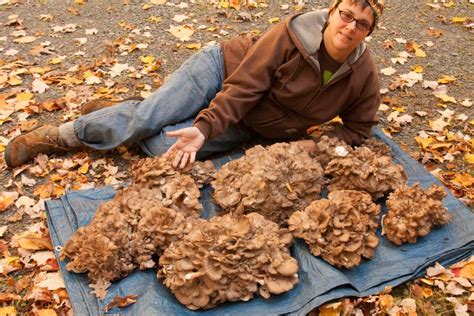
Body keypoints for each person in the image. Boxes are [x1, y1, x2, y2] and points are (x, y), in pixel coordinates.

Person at [4, 0, 384, 169]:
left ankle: (124, 109)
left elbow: (359, 128)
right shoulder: (290, 36)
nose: (350, 28)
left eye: (361, 24)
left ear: (368, 32)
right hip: (223, 72)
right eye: (345, 16)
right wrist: (204, 128)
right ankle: (61, 136)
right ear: (331, 13)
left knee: (158, 148)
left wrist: (313, 143)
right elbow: (244, 89)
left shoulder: (362, 75)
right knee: (146, 118)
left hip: (249, 123)